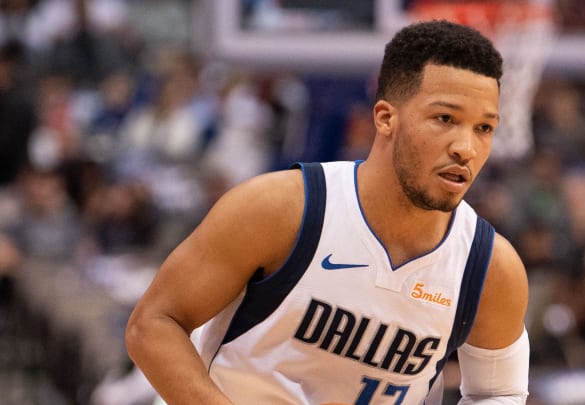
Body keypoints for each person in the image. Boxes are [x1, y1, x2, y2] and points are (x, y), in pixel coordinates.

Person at [126, 20, 530, 404]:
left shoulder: (491, 269)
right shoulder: (280, 209)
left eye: (484, 128)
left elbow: (500, 393)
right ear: (386, 118)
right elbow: (154, 324)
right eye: (445, 119)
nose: (467, 148)